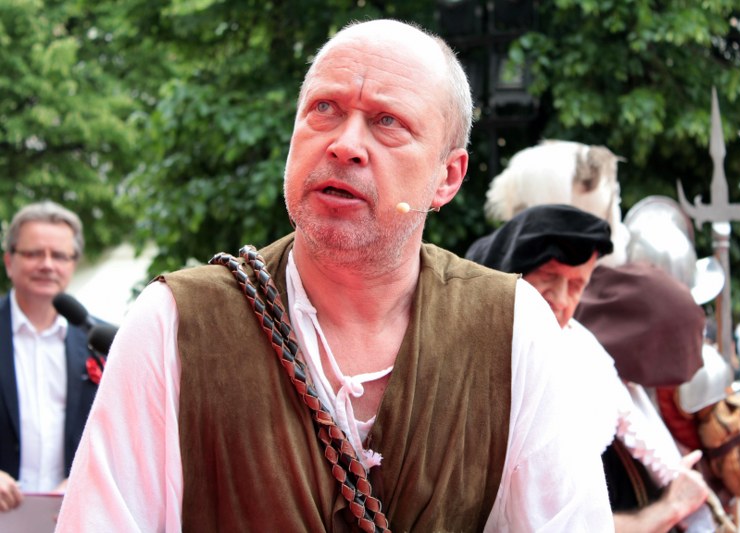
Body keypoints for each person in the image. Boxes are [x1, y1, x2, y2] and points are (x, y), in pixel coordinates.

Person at [55, 19, 613, 531]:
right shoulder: (175, 322)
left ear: (448, 176)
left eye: (388, 122)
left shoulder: (513, 327)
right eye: (324, 109)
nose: (345, 145)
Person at [466, 204, 713, 533]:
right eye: (548, 278)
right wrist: (666, 511)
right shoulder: (480, 366)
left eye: (576, 285)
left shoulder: (582, 346)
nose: (561, 300)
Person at [0, 201, 98, 511]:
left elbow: (121, 436)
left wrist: (86, 479)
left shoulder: (99, 341)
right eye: (33, 253)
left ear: (73, 264)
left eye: (58, 255)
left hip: (71, 518)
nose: (47, 264)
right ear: (9, 261)